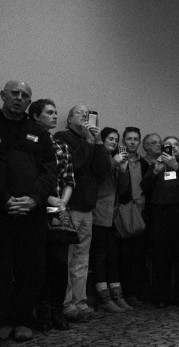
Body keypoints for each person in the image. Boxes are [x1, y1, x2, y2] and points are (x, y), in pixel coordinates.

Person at [0, 81, 57, 342]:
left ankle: (23, 319)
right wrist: (5, 199)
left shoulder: (38, 132)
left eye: (25, 95)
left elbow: (49, 171)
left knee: (31, 267)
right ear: (3, 96)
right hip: (3, 210)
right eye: (14, 93)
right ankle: (3, 319)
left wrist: (34, 199)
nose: (19, 98)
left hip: (31, 211)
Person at [54, 105, 112, 322]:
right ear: (69, 119)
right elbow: (73, 165)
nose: (85, 116)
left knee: (81, 260)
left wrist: (97, 142)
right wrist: (88, 142)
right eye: (80, 113)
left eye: (88, 115)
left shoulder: (92, 142)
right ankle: (66, 304)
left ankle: (80, 302)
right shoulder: (63, 137)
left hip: (87, 209)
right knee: (66, 259)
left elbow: (101, 169)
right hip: (68, 207)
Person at [28, 99, 75, 331]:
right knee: (40, 262)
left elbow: (69, 178)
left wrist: (62, 202)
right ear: (36, 116)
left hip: (59, 209)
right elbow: (29, 177)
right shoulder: (30, 142)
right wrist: (47, 199)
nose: (55, 116)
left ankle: (58, 309)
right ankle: (42, 310)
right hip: (36, 208)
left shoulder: (61, 145)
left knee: (59, 262)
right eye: (49, 112)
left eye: (57, 112)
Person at [141, 136, 179, 308]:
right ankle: (160, 296)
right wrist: (156, 171)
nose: (173, 147)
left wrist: (176, 167)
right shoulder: (155, 166)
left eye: (176, 145)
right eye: (168, 145)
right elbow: (145, 187)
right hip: (159, 216)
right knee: (160, 257)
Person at [89, 127, 132, 313]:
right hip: (97, 215)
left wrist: (122, 170)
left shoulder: (116, 161)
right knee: (100, 257)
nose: (114, 142)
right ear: (102, 140)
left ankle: (117, 295)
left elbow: (123, 191)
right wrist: (114, 163)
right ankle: (104, 298)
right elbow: (98, 176)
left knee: (113, 257)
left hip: (112, 217)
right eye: (110, 139)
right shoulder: (100, 159)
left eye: (116, 140)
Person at [117, 127, 149, 308]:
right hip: (124, 212)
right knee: (125, 256)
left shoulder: (144, 163)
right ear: (124, 140)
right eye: (129, 139)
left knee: (138, 256)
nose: (132, 142)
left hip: (141, 212)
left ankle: (135, 292)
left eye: (136, 139)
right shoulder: (119, 160)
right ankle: (125, 293)